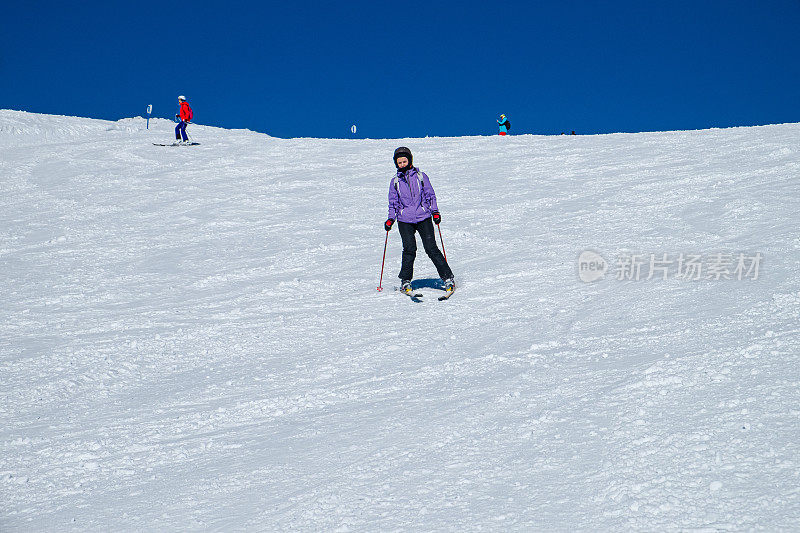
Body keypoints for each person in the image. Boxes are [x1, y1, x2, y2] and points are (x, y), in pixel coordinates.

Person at [384, 147, 454, 294]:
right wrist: (391, 219)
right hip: (405, 220)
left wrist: (435, 211)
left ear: (410, 160)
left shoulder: (421, 176)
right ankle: (405, 281)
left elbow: (430, 195)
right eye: (399, 162)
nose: (402, 164)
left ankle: (448, 278)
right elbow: (393, 202)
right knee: (409, 249)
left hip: (423, 217)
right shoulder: (395, 182)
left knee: (431, 248)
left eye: (404, 161)